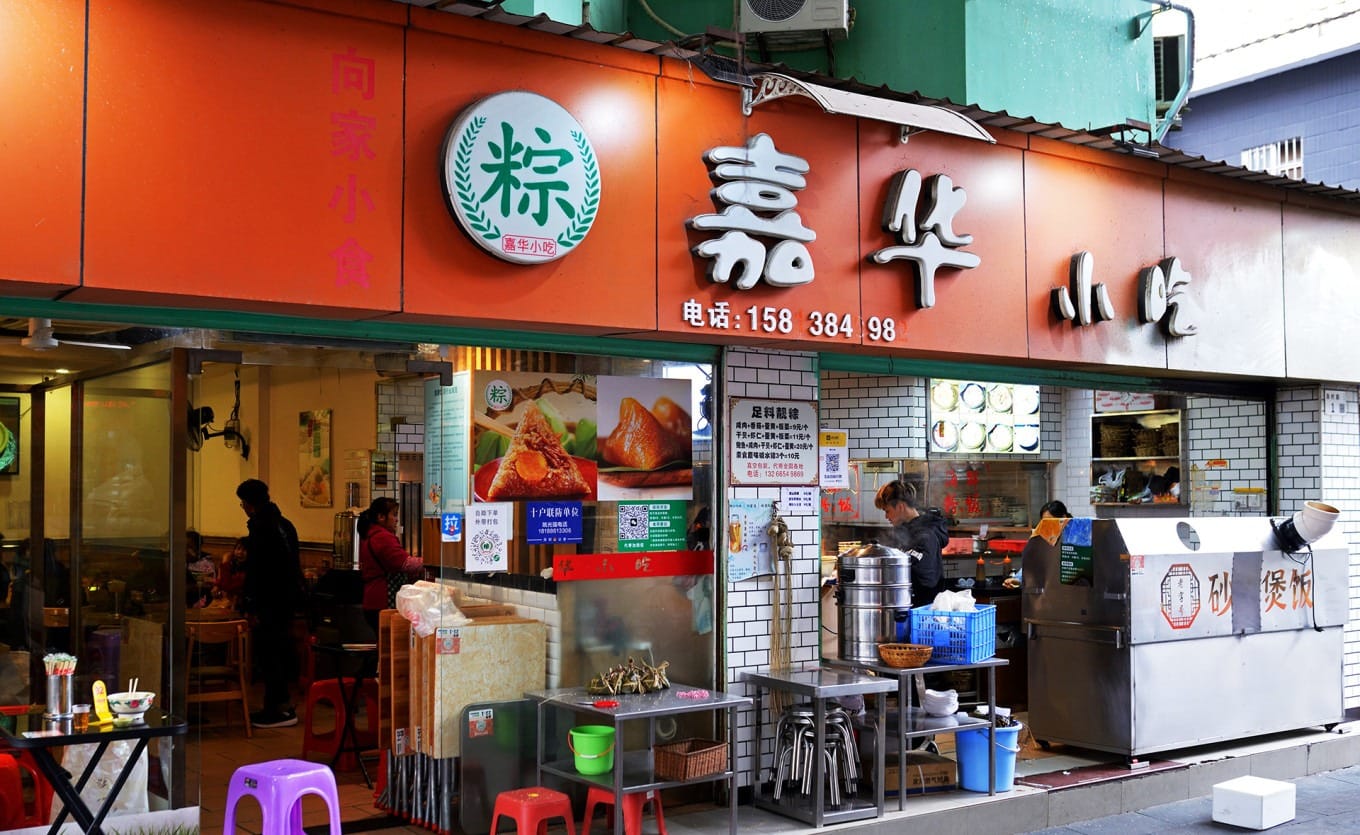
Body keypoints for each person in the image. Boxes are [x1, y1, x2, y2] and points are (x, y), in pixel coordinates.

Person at [237, 478, 304, 729]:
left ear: (248, 503)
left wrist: (250, 604)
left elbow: (257, 571)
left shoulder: (260, 527)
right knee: (279, 650)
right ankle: (281, 706)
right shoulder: (285, 524)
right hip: (286, 600)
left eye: (242, 503)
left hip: (268, 601)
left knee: (269, 654)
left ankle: (278, 710)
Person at [873, 479, 948, 609]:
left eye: (887, 511)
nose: (886, 517)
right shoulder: (903, 531)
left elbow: (926, 580)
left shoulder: (925, 535)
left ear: (901, 506)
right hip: (905, 608)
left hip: (922, 612)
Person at [358, 497, 425, 634]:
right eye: (394, 515)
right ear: (381, 517)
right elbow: (405, 564)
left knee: (384, 646)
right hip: (382, 601)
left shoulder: (371, 535)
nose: (396, 519)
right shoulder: (382, 537)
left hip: (371, 600)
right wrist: (432, 562)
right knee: (389, 648)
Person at [211, 537, 248, 611]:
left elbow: (232, 586)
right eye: (238, 549)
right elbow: (222, 582)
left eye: (244, 550)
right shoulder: (229, 564)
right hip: (225, 601)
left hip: (243, 605)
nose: (240, 552)